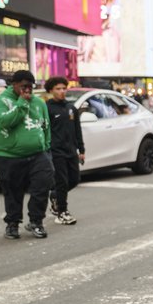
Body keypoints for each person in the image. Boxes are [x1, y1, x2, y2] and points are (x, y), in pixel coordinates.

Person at [0, 70, 53, 239]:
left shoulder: (39, 103)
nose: (28, 90)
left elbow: (46, 126)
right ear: (14, 84)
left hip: (38, 154)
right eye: (23, 86)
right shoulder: (0, 102)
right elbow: (4, 122)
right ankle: (12, 224)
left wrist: (46, 149)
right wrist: (21, 103)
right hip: (9, 156)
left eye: (30, 87)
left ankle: (36, 221)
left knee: (42, 186)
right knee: (12, 192)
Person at [45, 77, 85, 225]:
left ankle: (55, 196)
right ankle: (62, 212)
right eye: (58, 89)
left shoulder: (71, 108)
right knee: (61, 181)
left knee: (74, 179)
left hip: (71, 150)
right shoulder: (47, 108)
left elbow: (77, 130)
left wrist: (81, 149)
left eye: (64, 88)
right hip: (56, 151)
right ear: (51, 91)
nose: (62, 91)